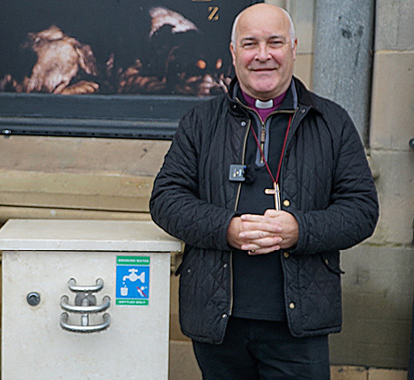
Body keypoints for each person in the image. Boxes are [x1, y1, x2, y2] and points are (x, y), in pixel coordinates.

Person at [149, 4, 378, 379]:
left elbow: (361, 210)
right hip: (217, 320)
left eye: (275, 42)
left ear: (293, 48)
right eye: (250, 43)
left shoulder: (332, 122)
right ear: (234, 52)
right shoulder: (200, 122)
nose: (262, 55)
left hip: (298, 323)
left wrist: (299, 230)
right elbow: (166, 200)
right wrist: (227, 228)